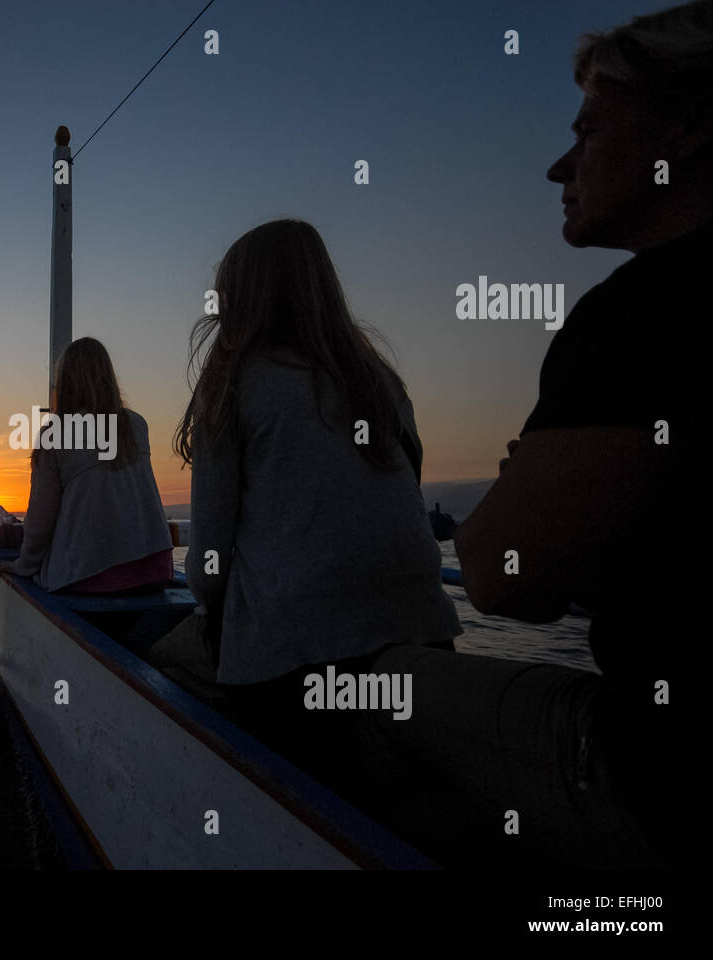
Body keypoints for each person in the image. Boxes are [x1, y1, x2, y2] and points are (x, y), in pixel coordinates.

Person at [359, 0, 707, 867]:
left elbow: (500, 579)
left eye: (591, 128)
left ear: (691, 131)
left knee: (369, 686)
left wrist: (534, 495)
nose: (560, 164)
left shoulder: (642, 312)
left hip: (660, 787)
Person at [151, 219, 461, 786]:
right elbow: (399, 503)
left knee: (159, 658)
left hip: (293, 663)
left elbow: (209, 568)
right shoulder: (380, 380)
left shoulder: (235, 381)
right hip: (425, 637)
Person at [5, 337, 173, 593]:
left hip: (90, 574)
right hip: (155, 568)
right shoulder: (137, 425)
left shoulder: (55, 433)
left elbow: (41, 520)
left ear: (65, 382)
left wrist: (24, 566)